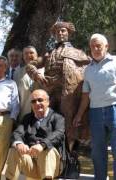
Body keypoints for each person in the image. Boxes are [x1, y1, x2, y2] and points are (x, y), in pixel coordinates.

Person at [73, 33, 116, 180]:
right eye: (92, 46)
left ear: (106, 46)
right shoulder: (88, 69)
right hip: (95, 113)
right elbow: (85, 95)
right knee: (97, 152)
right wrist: (79, 115)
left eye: (98, 45)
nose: (95, 48)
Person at [26, 21, 91, 150]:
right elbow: (30, 65)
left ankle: (68, 155)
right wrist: (36, 75)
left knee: (69, 124)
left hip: (69, 94)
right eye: (57, 31)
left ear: (69, 33)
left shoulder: (79, 53)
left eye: (63, 30)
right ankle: (52, 152)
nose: (60, 33)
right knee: (49, 122)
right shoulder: (48, 54)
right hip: (50, 93)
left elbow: (89, 69)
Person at [4, 89, 65, 180]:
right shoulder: (27, 118)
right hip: (32, 163)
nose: (37, 103)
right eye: (33, 101)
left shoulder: (58, 117)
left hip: (51, 167)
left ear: (48, 102)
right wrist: (19, 143)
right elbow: (17, 133)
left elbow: (59, 134)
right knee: (14, 150)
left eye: (40, 100)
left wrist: (42, 145)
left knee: (48, 150)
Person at [13, 46, 43, 123]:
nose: (29, 55)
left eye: (31, 53)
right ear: (23, 57)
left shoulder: (45, 71)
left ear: (36, 55)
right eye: (26, 53)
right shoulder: (16, 73)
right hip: (24, 114)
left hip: (42, 114)